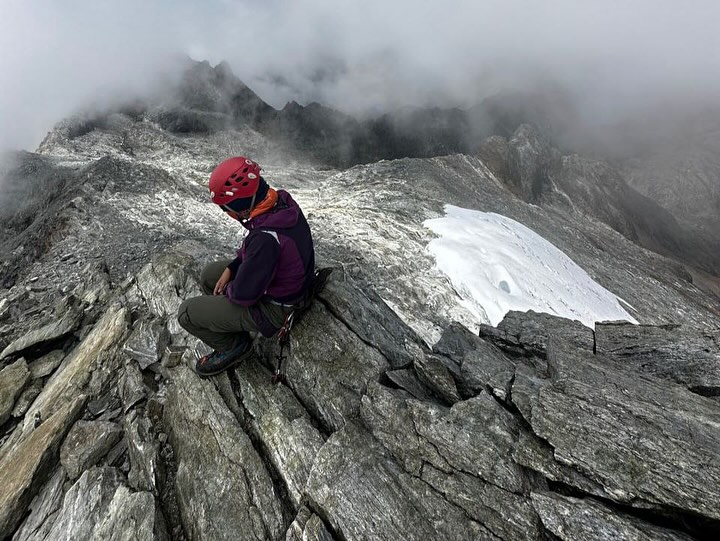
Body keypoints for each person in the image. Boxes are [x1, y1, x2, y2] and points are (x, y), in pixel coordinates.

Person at [177, 156, 315, 376]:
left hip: (276, 308)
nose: (227, 213)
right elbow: (260, 250)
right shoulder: (278, 201)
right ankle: (229, 322)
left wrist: (231, 291)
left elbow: (243, 294)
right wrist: (233, 267)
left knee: (186, 313)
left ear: (239, 209)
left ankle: (235, 346)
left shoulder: (264, 240)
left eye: (226, 209)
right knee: (209, 275)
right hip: (287, 283)